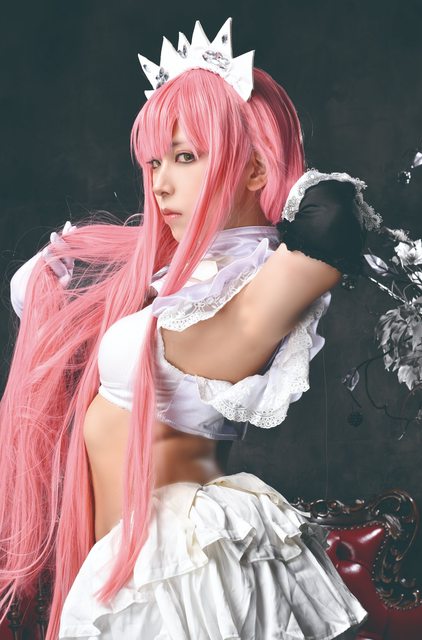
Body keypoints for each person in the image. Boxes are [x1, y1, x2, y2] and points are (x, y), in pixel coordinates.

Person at [0, 16, 382, 640]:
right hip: (139, 568)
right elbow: (33, 296)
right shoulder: (180, 281)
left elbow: (333, 215)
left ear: (255, 169)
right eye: (154, 161)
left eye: (185, 157)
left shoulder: (253, 286)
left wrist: (268, 156)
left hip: (186, 565)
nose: (160, 183)